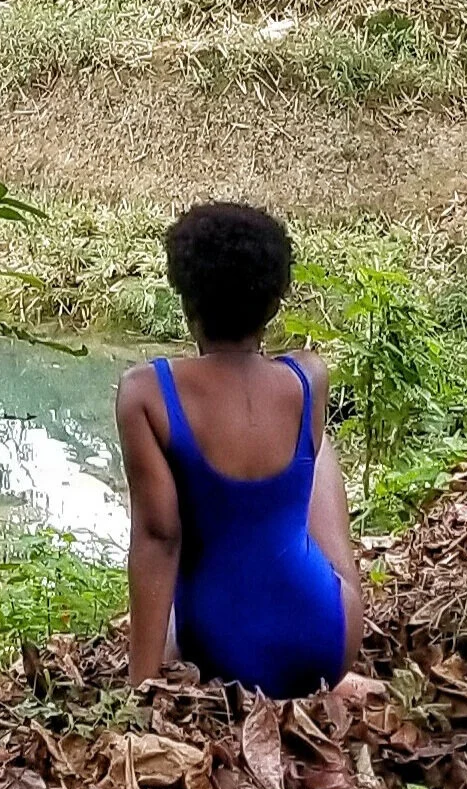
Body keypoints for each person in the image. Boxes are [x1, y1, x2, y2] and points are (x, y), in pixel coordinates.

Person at [115, 202, 362, 697]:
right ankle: (330, 659)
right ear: (273, 304)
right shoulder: (308, 377)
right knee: (312, 452)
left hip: (219, 652)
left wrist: (141, 685)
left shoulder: (147, 394)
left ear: (187, 300)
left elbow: (159, 537)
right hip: (328, 642)